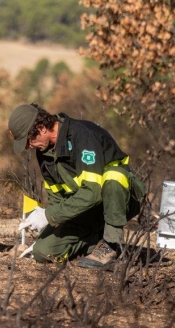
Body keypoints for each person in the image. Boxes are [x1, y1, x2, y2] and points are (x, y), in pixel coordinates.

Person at [8, 103, 145, 268]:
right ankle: (98, 243)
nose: (28, 147)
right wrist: (45, 234)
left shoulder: (82, 136)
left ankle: (111, 244)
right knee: (42, 252)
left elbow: (93, 193)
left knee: (113, 177)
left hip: (120, 201)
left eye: (28, 141)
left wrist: (48, 215)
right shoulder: (44, 153)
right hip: (86, 212)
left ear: (41, 128)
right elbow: (57, 199)